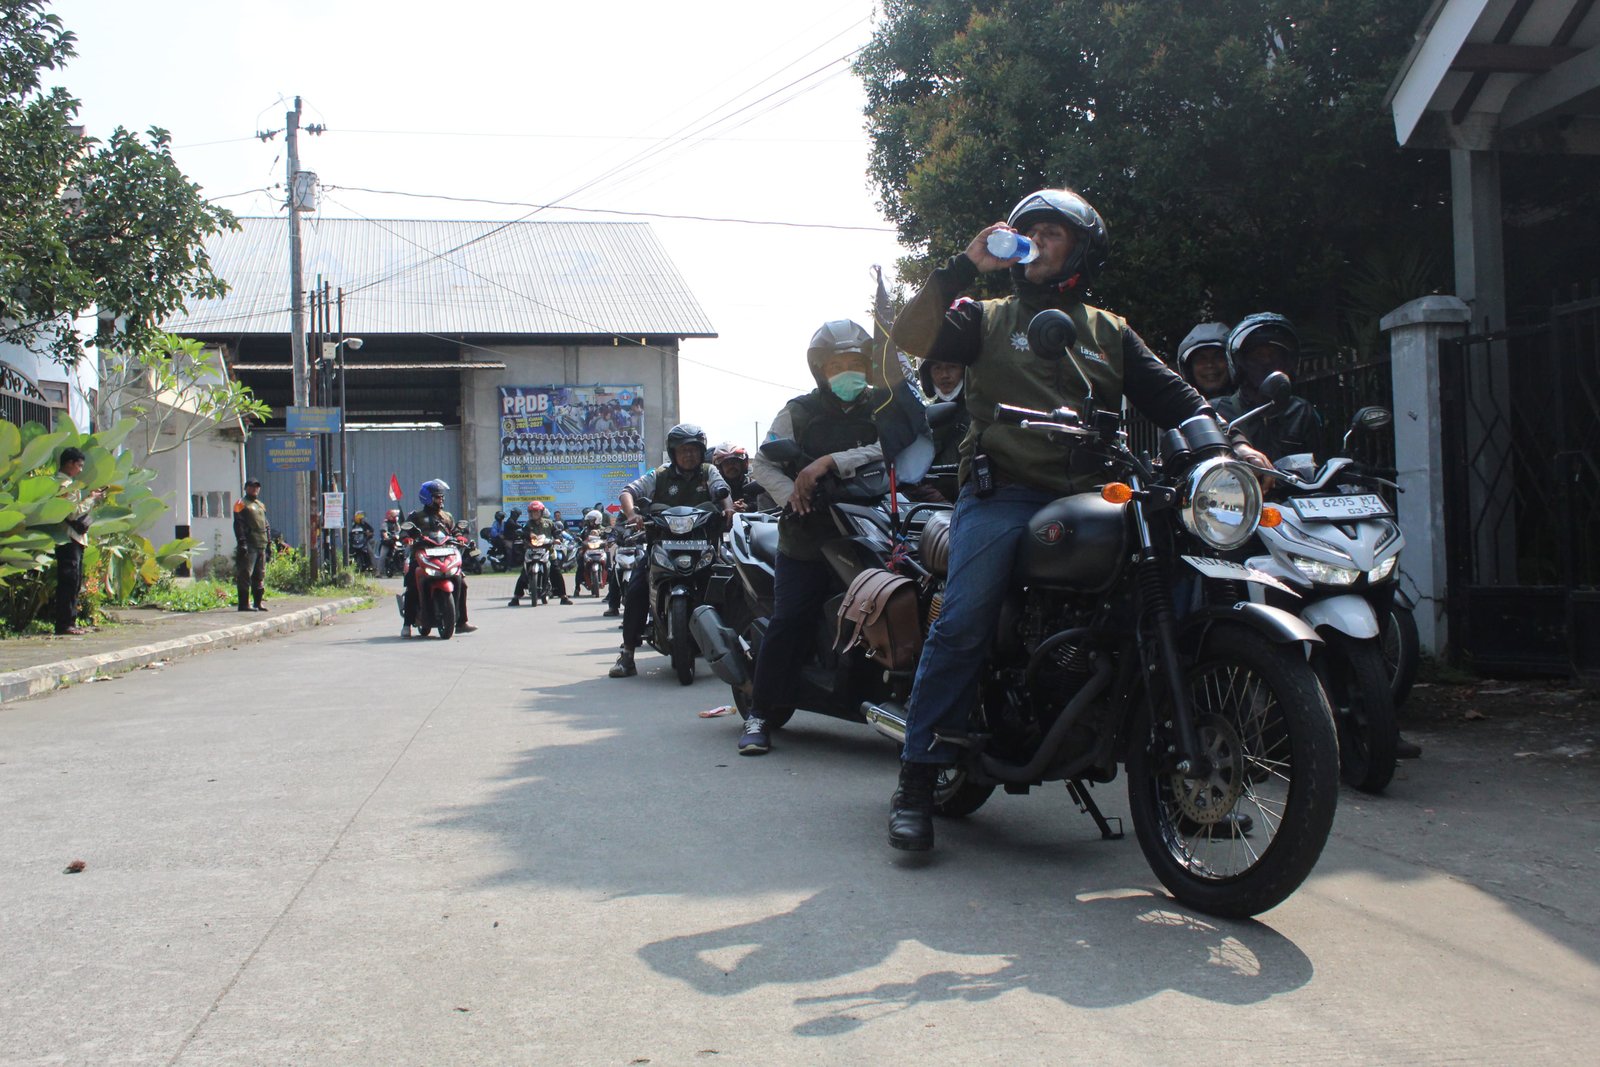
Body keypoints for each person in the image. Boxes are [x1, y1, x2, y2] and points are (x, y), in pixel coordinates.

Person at [883, 187, 1273, 851]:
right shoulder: (986, 317)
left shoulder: (1107, 332)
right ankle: (917, 775)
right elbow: (908, 338)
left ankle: (1178, 775)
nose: (1035, 236)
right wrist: (957, 268)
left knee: (1175, 584)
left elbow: (1175, 399)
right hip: (1002, 494)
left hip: (1099, 493)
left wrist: (1229, 447)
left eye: (1052, 230)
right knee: (966, 616)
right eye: (1027, 227)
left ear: (1081, 249)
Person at [736, 321, 887, 753]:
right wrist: (793, 498)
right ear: (821, 370)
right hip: (807, 537)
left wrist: (829, 461)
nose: (846, 372)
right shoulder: (799, 411)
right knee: (790, 620)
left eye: (854, 363)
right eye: (836, 365)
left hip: (870, 529)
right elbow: (762, 464)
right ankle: (760, 715)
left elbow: (898, 446)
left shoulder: (884, 406)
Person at [608, 423, 733, 678]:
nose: (689, 455)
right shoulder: (659, 474)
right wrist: (632, 513)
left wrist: (728, 508)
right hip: (662, 546)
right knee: (636, 589)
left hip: (703, 546)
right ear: (673, 452)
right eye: (683, 450)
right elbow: (628, 492)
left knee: (732, 584)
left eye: (694, 450)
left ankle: (740, 651)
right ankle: (628, 654)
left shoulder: (709, 472)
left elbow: (723, 491)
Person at [1213, 313, 1324, 459]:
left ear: (1287, 362)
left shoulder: (1301, 412)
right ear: (1241, 363)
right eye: (1258, 356)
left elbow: (1318, 467)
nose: (1266, 362)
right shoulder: (1219, 411)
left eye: (1274, 355)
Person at [401, 478, 478, 636]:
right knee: (412, 583)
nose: (441, 500)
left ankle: (462, 621)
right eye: (437, 497)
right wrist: (407, 538)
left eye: (442, 497)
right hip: (422, 555)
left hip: (445, 554)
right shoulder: (416, 516)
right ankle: (407, 624)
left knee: (461, 582)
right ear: (427, 498)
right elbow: (404, 532)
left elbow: (454, 532)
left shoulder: (446, 516)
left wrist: (460, 538)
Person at [53, 447, 104, 635]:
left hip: (74, 538)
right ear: (69, 463)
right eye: (79, 465)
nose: (81, 470)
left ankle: (70, 622)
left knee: (74, 581)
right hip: (68, 538)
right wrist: (90, 499)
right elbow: (73, 512)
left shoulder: (67, 483)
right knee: (69, 581)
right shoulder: (64, 484)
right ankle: (65, 624)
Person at [915, 354, 972, 503]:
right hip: (935, 509)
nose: (944, 375)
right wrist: (925, 492)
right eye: (937, 368)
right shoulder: (923, 419)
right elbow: (911, 466)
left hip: (974, 500)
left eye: (952, 367)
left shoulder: (980, 413)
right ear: (928, 375)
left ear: (965, 370)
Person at [509, 501, 572, 606]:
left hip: (548, 551)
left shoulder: (549, 523)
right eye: (533, 512)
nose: (535, 514)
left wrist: (557, 538)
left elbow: (556, 532)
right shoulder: (528, 524)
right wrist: (521, 537)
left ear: (541, 512)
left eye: (537, 512)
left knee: (556, 572)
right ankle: (516, 597)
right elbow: (523, 534)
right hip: (532, 551)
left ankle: (563, 597)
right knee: (524, 573)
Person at [232, 477, 270, 613]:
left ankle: (258, 603)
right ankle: (243, 604)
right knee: (245, 574)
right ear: (246, 488)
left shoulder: (260, 505)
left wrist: (269, 543)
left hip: (261, 543)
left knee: (260, 575)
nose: (255, 489)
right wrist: (242, 542)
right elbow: (238, 524)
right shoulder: (241, 503)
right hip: (249, 544)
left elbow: (266, 524)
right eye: (252, 486)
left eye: (257, 486)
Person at [1175, 322, 1234, 400]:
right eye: (1201, 359)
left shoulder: (1253, 403)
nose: (1210, 364)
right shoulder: (1178, 410)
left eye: (1218, 357)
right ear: (1189, 369)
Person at [710, 442, 773, 512]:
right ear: (720, 467)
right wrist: (726, 509)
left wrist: (747, 507)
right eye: (727, 463)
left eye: (734, 462)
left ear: (742, 464)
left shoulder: (755, 486)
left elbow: (767, 508)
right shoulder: (715, 489)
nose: (731, 466)